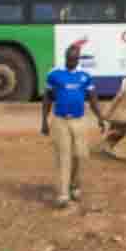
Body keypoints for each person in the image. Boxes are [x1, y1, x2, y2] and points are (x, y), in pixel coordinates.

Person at [42, 43, 97, 208]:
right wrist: (44, 120)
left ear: (78, 60)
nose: (72, 61)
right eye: (69, 58)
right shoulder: (55, 75)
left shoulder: (85, 76)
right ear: (66, 58)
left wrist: (100, 117)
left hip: (79, 121)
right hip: (61, 121)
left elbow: (93, 98)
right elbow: (47, 98)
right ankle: (63, 194)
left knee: (79, 155)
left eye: (75, 58)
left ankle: (75, 186)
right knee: (63, 156)